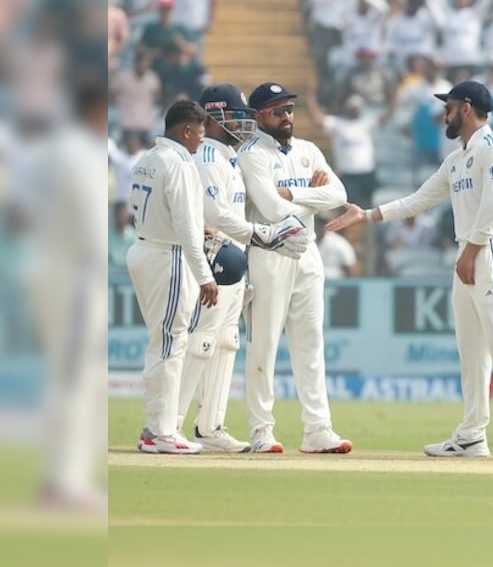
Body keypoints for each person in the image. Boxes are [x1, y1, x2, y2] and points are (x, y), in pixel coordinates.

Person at [327, 81, 493, 460]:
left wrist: (471, 252)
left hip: (490, 251)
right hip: (469, 251)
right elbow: (419, 200)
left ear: (465, 108)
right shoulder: (457, 156)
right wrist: (367, 214)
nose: (442, 113)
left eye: (448, 106)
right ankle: (472, 434)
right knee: (471, 348)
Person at [176, 85, 308, 453]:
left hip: (234, 257)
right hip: (209, 258)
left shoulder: (229, 156)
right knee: (202, 340)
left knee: (227, 342)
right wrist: (261, 235)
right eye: (235, 115)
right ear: (213, 116)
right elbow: (215, 215)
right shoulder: (204, 157)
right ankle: (171, 424)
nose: (243, 122)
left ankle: (210, 427)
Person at [238, 82, 352, 454]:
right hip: (269, 252)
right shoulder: (252, 154)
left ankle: (318, 429)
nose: (286, 117)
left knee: (310, 344)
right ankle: (261, 430)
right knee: (264, 344)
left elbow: (339, 195)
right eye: (277, 111)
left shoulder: (308, 149)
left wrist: (294, 193)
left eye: (288, 109)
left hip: (308, 253)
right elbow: (271, 209)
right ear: (259, 117)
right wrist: (307, 196)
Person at [128, 100, 218, 454]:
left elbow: (164, 213)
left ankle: (156, 427)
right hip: (169, 256)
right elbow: (183, 228)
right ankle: (161, 431)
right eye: (199, 133)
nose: (201, 140)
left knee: (162, 340)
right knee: (169, 342)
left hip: (144, 248)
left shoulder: (148, 158)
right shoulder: (180, 163)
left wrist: (200, 226)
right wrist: (205, 276)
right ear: (186, 131)